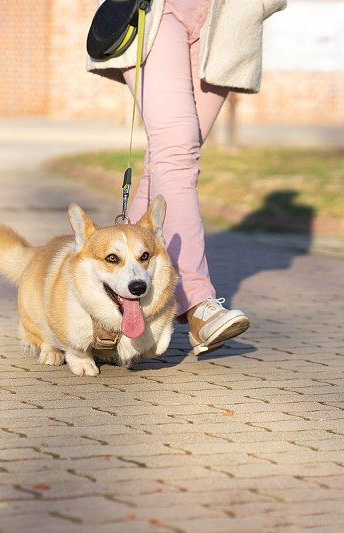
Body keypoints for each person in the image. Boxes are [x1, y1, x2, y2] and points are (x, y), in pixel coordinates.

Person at [87, 0, 287, 355]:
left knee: (168, 161)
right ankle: (198, 303)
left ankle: (109, 303)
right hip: (159, 10)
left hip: (226, 17)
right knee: (176, 155)